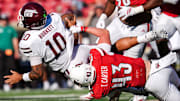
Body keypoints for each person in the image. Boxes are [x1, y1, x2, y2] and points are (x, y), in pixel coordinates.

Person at [68, 25, 180, 101]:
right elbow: (104, 34)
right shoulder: (97, 57)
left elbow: (98, 93)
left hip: (153, 83)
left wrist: (86, 96)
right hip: (160, 65)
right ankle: (144, 37)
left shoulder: (98, 91)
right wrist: (81, 28)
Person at [3, 2, 78, 85]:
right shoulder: (54, 18)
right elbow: (70, 16)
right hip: (78, 53)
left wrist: (21, 77)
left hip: (68, 69)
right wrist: (73, 31)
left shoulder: (29, 41)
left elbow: (37, 73)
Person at [0, 14, 19, 91]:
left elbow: (15, 40)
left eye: (5, 20)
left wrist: (16, 51)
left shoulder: (10, 29)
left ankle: (9, 84)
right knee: (1, 68)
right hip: (0, 51)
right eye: (2, 20)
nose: (4, 22)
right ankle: (1, 85)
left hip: (9, 51)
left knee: (10, 68)